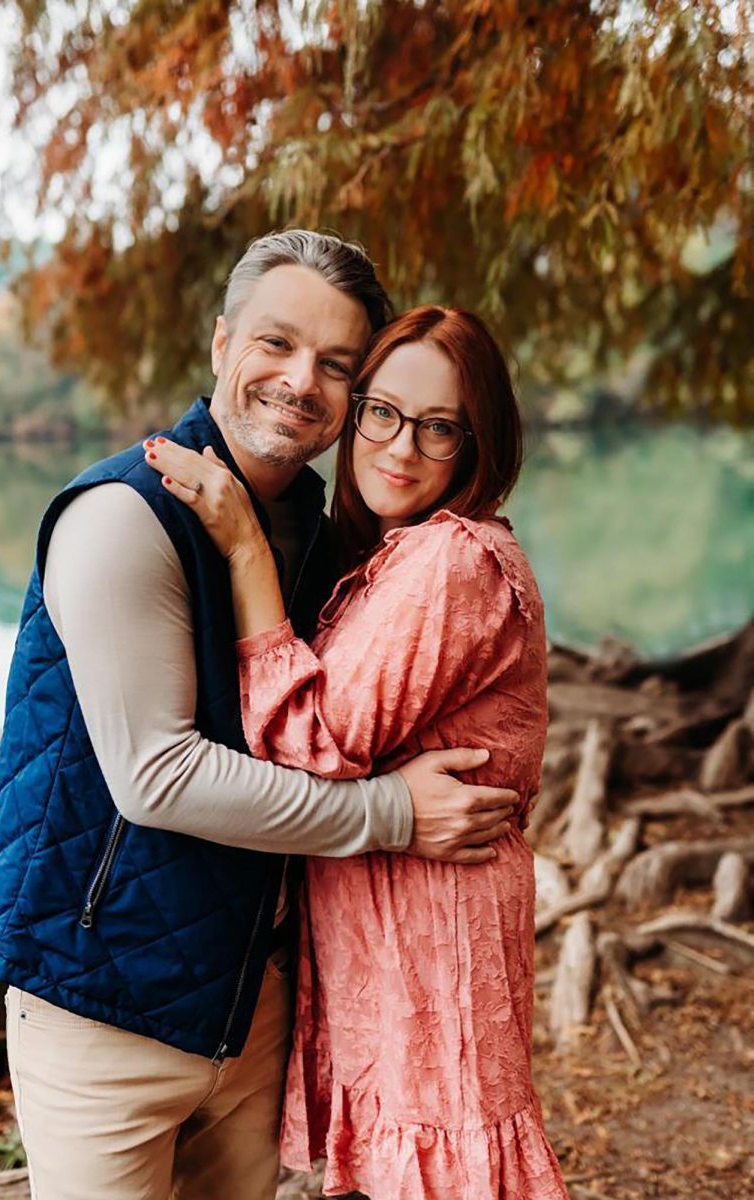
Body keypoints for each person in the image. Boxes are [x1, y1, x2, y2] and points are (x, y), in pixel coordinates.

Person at [0, 231, 523, 1200]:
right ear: (223, 343)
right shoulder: (123, 518)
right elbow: (158, 776)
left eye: (335, 365)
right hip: (103, 1014)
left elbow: (347, 717)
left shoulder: (325, 538)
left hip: (251, 1011)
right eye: (276, 344)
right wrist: (394, 816)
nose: (298, 381)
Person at [145, 304, 570, 1199]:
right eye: (382, 410)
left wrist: (244, 551)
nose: (401, 447)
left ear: (479, 441)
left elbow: (314, 744)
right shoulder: (392, 554)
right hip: (384, 927)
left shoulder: (453, 560)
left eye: (439, 427)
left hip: (430, 933)